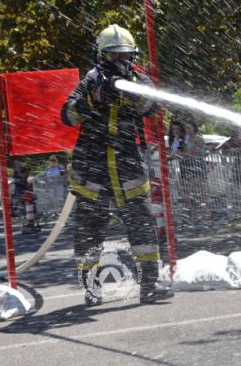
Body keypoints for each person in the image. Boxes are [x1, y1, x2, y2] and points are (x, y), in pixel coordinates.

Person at [60, 24, 173, 305]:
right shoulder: (90, 81)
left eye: (125, 55)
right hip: (92, 163)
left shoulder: (138, 79)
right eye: (114, 55)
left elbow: (152, 105)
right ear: (102, 55)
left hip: (128, 161)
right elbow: (68, 115)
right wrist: (94, 99)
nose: (120, 60)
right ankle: (92, 288)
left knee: (143, 224)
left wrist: (133, 93)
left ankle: (149, 285)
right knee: (89, 228)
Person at [175, 119, 209, 209]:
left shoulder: (199, 137)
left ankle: (207, 215)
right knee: (194, 192)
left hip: (198, 165)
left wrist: (182, 154)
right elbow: (186, 151)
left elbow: (196, 151)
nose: (187, 130)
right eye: (186, 128)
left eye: (189, 128)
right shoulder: (187, 138)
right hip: (189, 165)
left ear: (194, 128)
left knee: (202, 192)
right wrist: (182, 153)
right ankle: (199, 213)